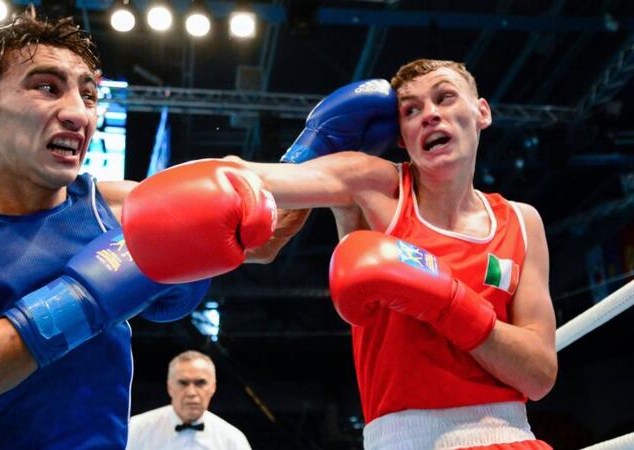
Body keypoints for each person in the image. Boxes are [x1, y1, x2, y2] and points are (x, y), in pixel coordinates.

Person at [0, 7, 278, 450]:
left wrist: (326, 137)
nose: (79, 114)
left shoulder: (119, 209)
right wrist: (100, 288)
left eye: (89, 95)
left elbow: (315, 182)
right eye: (47, 87)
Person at [229, 59, 558, 449]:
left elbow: (538, 377)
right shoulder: (371, 185)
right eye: (411, 110)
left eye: (444, 97)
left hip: (509, 437)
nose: (430, 115)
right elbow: (240, 180)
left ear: (481, 112)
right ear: (402, 136)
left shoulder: (522, 222)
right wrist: (312, 148)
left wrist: (449, 303)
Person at [126, 350, 251, 450]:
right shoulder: (136, 429)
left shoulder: (232, 439)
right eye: (183, 383)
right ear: (170, 387)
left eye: (200, 383)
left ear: (213, 387)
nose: (191, 392)